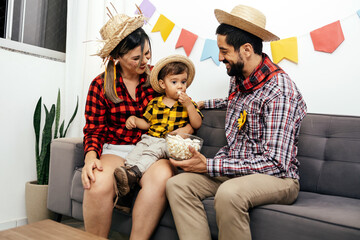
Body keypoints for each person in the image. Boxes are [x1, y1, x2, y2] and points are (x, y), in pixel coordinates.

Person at [166, 4, 307, 240]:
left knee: (229, 193)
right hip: (237, 168)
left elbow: (275, 163)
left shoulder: (280, 91)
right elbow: (236, 101)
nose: (220, 57)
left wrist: (210, 166)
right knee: (177, 185)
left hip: (278, 177)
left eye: (224, 51)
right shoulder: (240, 78)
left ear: (247, 50)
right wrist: (200, 103)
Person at [81, 12, 193, 239]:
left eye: (148, 54)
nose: (144, 62)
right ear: (117, 57)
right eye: (135, 58)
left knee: (162, 178)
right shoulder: (101, 85)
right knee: (98, 182)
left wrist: (187, 130)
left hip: (152, 150)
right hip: (117, 149)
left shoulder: (158, 80)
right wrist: (91, 158)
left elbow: (186, 110)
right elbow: (94, 129)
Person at [113, 55, 203, 198]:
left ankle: (135, 173)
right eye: (174, 82)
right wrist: (135, 120)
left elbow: (197, 123)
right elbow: (147, 123)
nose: (180, 86)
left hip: (170, 142)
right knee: (136, 153)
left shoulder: (188, 103)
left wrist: (188, 105)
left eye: (183, 82)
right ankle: (127, 180)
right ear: (162, 84)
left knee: (152, 151)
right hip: (150, 137)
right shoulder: (155, 103)